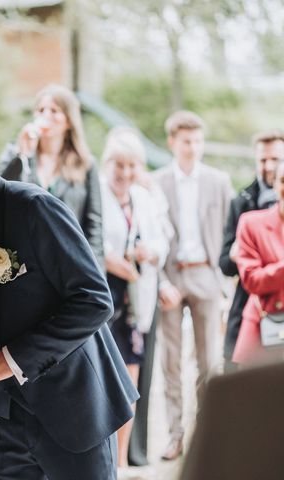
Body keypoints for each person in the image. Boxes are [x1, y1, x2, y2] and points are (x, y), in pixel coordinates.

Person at [0, 99, 138, 480]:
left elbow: (94, 301)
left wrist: (11, 358)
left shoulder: (34, 207)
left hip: (71, 413)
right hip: (0, 423)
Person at [152, 111, 235, 461]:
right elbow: (149, 232)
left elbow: (231, 232)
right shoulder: (156, 182)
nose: (193, 147)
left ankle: (207, 436)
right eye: (187, 141)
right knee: (171, 362)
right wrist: (160, 281)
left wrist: (222, 281)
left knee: (208, 362)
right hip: (171, 275)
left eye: (198, 141)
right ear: (172, 142)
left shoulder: (219, 180)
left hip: (206, 274)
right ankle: (176, 435)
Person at [100, 128, 169, 471]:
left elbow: (162, 244)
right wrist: (110, 259)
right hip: (103, 297)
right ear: (107, 163)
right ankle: (104, 461)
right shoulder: (96, 194)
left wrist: (148, 252)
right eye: (119, 164)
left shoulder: (144, 198)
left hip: (136, 301)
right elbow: (86, 241)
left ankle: (123, 462)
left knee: (129, 385)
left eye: (132, 165)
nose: (125, 173)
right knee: (102, 385)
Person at [0, 84, 104, 264]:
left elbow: (94, 225)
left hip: (68, 260)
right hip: (23, 259)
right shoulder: (16, 152)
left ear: (69, 121)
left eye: (54, 111)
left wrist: (95, 272)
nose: (46, 115)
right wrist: (21, 154)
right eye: (41, 110)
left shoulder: (85, 163)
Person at [128, 131, 175, 468]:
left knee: (145, 375)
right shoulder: (109, 188)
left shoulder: (149, 192)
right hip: (124, 293)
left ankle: (137, 449)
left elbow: (163, 239)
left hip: (148, 287)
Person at [219, 130, 283, 371]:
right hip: (253, 306)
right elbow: (225, 263)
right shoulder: (242, 202)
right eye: (263, 160)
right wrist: (242, 255)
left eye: (275, 159)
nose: (268, 166)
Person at [232, 157, 284, 365]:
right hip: (263, 328)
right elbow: (252, 280)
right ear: (275, 184)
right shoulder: (251, 223)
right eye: (283, 180)